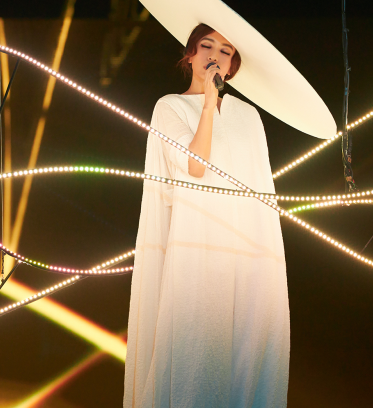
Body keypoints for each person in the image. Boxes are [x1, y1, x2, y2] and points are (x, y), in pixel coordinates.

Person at [124, 23, 290, 407]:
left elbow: (261, 195)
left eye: (226, 51)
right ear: (190, 54)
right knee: (196, 354)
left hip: (244, 252)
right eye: (207, 45)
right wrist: (208, 104)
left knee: (247, 356)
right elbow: (195, 165)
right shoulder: (169, 107)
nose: (215, 55)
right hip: (195, 249)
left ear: (232, 66)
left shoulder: (248, 116)